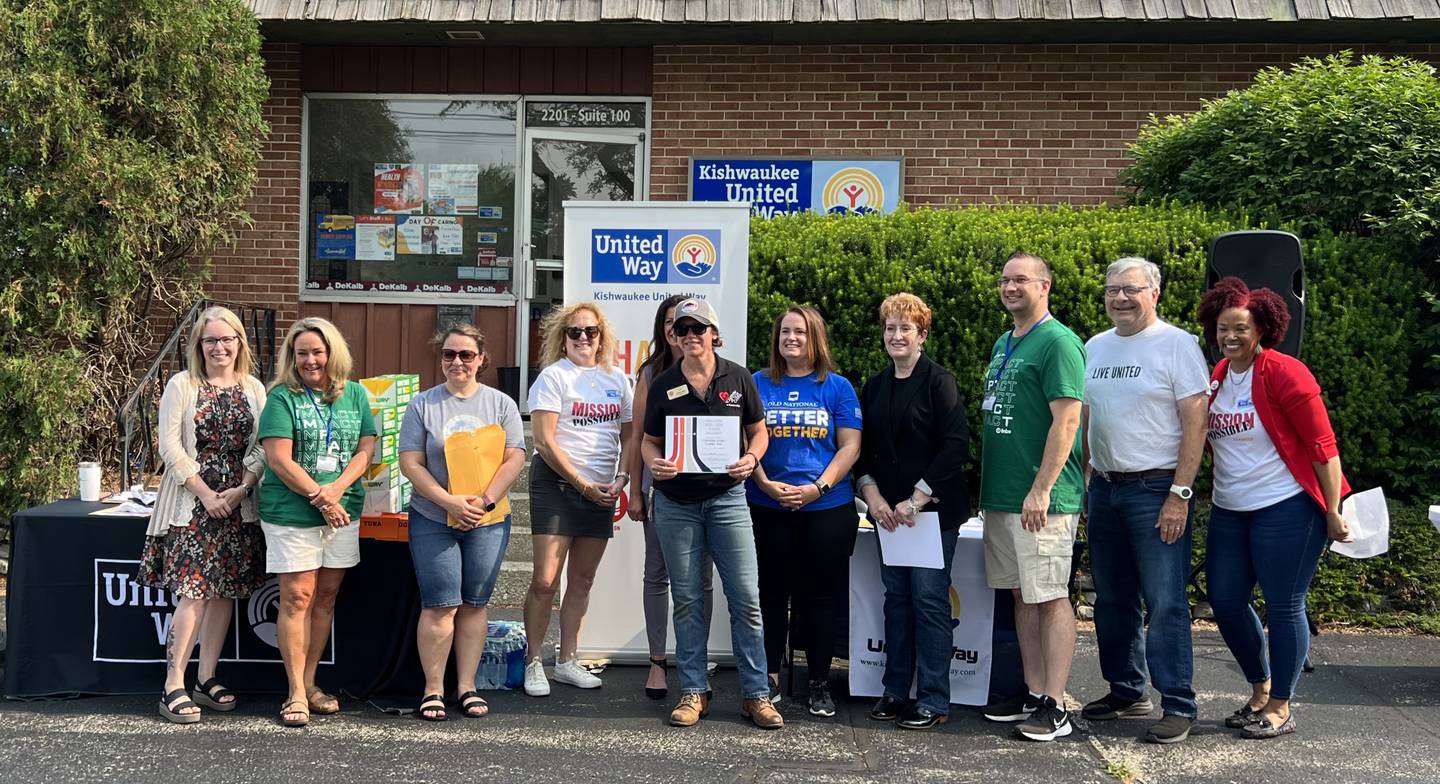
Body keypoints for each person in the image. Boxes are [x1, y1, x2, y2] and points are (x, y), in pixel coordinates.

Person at [1198, 276, 1352, 739]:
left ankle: (1281, 705)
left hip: (1287, 507)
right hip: (1230, 508)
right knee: (1224, 599)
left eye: (1241, 328)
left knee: (1284, 604)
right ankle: (1260, 689)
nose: (1231, 336)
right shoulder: (1218, 377)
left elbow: (1323, 446)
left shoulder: (1285, 372)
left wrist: (1331, 508)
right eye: (1224, 327)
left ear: (1262, 328)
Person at [1079, 258, 1210, 744]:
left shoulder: (1178, 345)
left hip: (1158, 488)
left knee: (1165, 599)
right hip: (1108, 487)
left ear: (1154, 293)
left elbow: (1196, 421)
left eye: (1131, 290)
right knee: (1112, 599)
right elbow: (1089, 417)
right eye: (1112, 290)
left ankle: (1179, 702)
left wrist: (1181, 492)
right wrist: (1089, 478)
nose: (1120, 299)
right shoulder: (1095, 346)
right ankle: (1127, 690)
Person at [640, 297, 781, 730]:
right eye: (682, 331)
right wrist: (653, 462)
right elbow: (648, 440)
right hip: (676, 503)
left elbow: (759, 433)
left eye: (698, 329)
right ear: (674, 337)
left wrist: (752, 459)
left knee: (746, 599)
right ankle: (693, 690)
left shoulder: (738, 377)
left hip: (727, 500)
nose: (690, 337)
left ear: (713, 333)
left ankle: (757, 695)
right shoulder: (663, 383)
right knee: (687, 600)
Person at [141, 306, 269, 724]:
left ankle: (207, 678)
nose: (219, 347)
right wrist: (206, 492)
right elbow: (170, 447)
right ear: (199, 345)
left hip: (237, 502)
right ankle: (173, 684)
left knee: (224, 593)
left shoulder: (253, 387)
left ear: (239, 343)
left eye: (227, 339)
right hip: (192, 504)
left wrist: (242, 487)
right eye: (211, 340)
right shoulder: (182, 384)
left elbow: (264, 446)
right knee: (193, 593)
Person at [978, 252, 1086, 742]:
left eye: (1021, 279)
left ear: (1045, 286)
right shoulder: (1005, 341)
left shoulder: (1059, 342)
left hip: (1042, 500)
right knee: (1022, 595)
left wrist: (1041, 489)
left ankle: (1057, 704)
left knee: (1050, 597)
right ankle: (1033, 690)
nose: (1010, 286)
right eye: (1005, 279)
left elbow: (1067, 421)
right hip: (1004, 498)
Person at [398, 324, 526, 720]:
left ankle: (466, 686)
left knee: (474, 604)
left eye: (466, 355)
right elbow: (410, 462)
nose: (457, 362)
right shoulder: (423, 405)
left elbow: (515, 457)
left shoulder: (501, 404)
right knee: (440, 605)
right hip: (434, 516)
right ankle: (433, 688)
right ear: (441, 360)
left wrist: (484, 503)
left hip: (488, 518)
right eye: (449, 355)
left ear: (481, 359)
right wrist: (450, 501)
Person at [854, 293, 970, 731]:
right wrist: (874, 497)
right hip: (889, 516)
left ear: (922, 335)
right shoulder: (876, 385)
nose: (896, 335)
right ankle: (895, 691)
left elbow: (955, 444)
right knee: (897, 600)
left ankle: (934, 698)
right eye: (890, 328)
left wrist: (916, 499)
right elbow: (863, 450)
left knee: (929, 600)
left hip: (931, 515)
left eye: (906, 328)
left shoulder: (940, 381)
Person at [258, 317, 376, 727]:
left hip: (343, 508)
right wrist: (321, 498)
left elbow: (366, 449)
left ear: (332, 353)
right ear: (292, 356)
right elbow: (278, 459)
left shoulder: (356, 394)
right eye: (302, 352)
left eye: (317, 351)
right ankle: (293, 692)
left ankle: (310, 684)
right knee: (297, 598)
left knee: (325, 598)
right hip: (293, 512)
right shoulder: (281, 398)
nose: (311, 360)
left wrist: (338, 489)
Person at [747, 306, 863, 718]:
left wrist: (818, 488)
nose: (791, 338)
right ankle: (769, 681)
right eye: (784, 331)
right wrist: (763, 483)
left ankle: (818, 682)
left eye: (799, 331)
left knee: (820, 598)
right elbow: (746, 440)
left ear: (815, 338)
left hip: (827, 508)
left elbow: (850, 446)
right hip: (767, 504)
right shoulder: (756, 383)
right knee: (770, 595)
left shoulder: (838, 387)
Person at [522, 303, 634, 696]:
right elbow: (544, 441)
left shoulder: (618, 380)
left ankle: (567, 660)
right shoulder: (553, 378)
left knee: (583, 580)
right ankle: (534, 661)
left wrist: (620, 477)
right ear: (562, 338)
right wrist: (582, 484)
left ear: (602, 337)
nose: (583, 338)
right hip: (557, 485)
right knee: (545, 580)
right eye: (574, 332)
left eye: (590, 331)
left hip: (601, 490)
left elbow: (629, 437)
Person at [627, 294, 715, 701]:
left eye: (690, 325)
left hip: (710, 494)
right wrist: (636, 490)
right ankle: (658, 661)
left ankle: (694, 661)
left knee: (700, 578)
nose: (678, 331)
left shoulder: (718, 373)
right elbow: (638, 439)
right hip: (660, 492)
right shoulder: (651, 374)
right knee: (658, 574)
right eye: (671, 324)